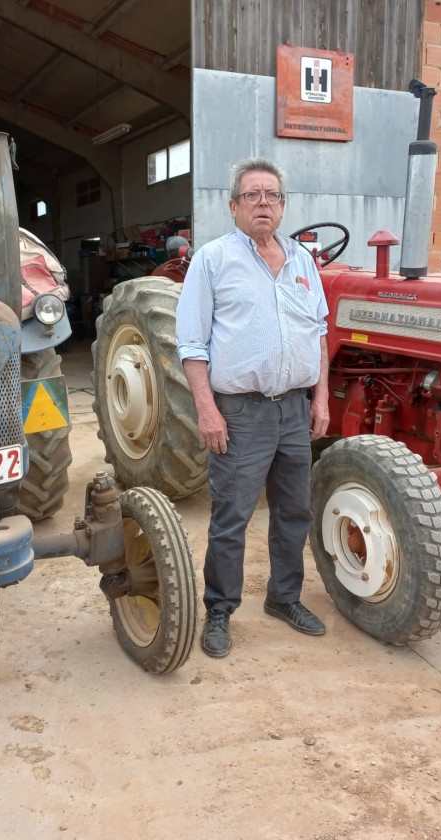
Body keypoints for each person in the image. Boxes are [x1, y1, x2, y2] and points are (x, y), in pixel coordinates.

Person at [175, 157, 330, 658]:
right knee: (232, 516)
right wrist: (207, 409)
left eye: (272, 196)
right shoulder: (214, 259)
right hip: (239, 412)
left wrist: (320, 397)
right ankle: (219, 610)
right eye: (252, 196)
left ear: (283, 206)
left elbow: (319, 335)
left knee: (293, 511)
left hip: (294, 410)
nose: (263, 203)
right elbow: (193, 343)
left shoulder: (304, 262)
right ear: (234, 206)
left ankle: (283, 598)